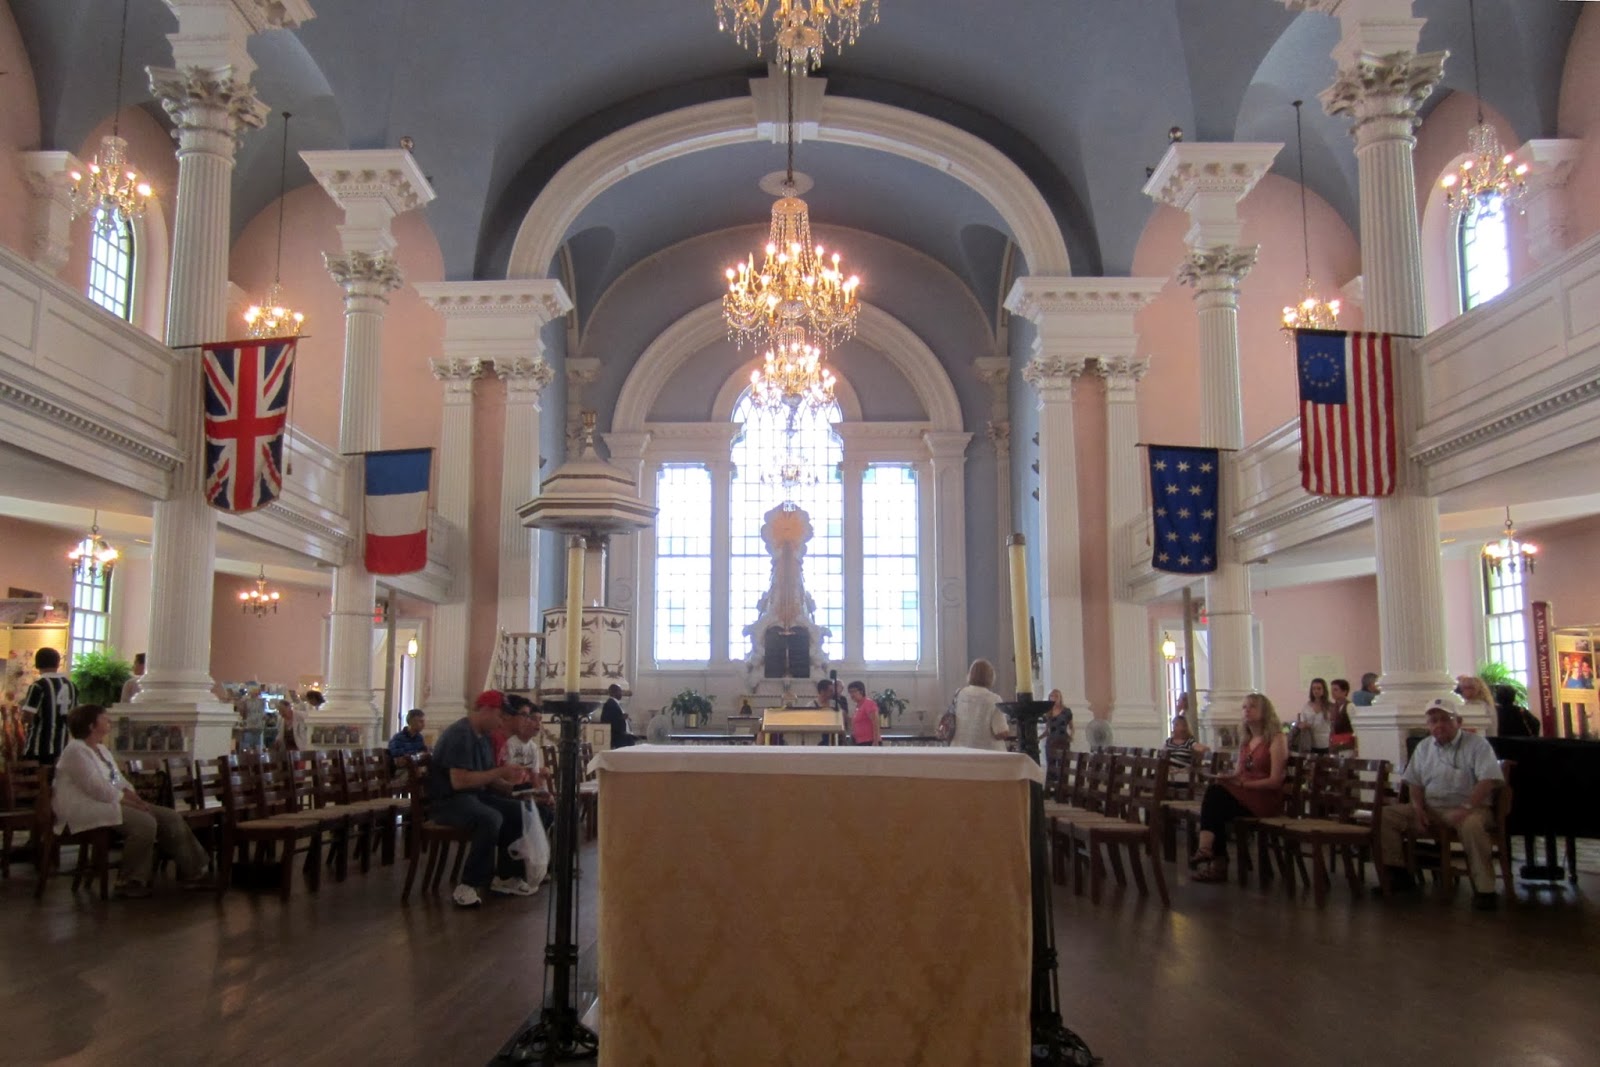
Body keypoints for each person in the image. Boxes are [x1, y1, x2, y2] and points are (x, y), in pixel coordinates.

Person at [54, 704, 211, 897]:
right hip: (88, 806)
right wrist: (133, 804)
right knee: (144, 823)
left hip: (112, 801)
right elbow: (97, 789)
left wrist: (135, 798)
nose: (109, 722)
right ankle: (130, 880)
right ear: (91, 725)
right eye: (104, 719)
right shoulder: (76, 751)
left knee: (169, 817)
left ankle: (195, 871)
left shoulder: (102, 749)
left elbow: (118, 780)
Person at [1378, 698, 1506, 910]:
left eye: (1445, 719)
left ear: (1458, 721)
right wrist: (1418, 808)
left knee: (1473, 826)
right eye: (1433, 721)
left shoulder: (1477, 745)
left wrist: (1465, 809)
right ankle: (1398, 875)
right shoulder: (1424, 747)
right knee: (1385, 816)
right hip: (1432, 807)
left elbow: (1487, 781)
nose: (1438, 725)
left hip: (1471, 809)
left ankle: (1485, 890)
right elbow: (1415, 783)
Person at [429, 690, 536, 908]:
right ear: (486, 710)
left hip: (475, 796)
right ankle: (468, 885)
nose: (501, 722)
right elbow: (460, 781)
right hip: (449, 802)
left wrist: (512, 786)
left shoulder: (484, 737)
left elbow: (487, 776)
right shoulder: (460, 734)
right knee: (490, 818)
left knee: (522, 810)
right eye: (499, 716)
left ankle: (505, 877)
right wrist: (500, 772)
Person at [1189, 693, 1288, 883]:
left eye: (1252, 707)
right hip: (1245, 794)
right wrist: (1228, 778)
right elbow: (1239, 772)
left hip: (1264, 797)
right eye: (1244, 707)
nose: (1247, 710)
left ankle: (1213, 857)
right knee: (1216, 797)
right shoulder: (1246, 741)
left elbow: (1275, 780)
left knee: (1215, 799)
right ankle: (1210, 854)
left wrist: (1243, 784)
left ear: (1265, 712)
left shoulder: (1276, 739)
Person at [502, 706, 555, 831]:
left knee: (549, 811)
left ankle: (536, 847)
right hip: (511, 791)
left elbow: (535, 779)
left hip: (525, 789)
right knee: (539, 812)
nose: (538, 723)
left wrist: (542, 795)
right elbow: (509, 778)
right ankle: (525, 847)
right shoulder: (510, 743)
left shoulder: (533, 747)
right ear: (524, 721)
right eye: (534, 719)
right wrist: (533, 796)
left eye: (540, 719)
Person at [21, 647, 76, 765]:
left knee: (36, 781)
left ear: (37, 664)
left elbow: (27, 716)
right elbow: (75, 714)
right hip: (63, 745)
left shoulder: (38, 686)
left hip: (39, 746)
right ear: (57, 663)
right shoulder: (71, 686)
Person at [949, 659, 1011, 752]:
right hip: (987, 754)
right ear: (991, 677)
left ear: (970, 675)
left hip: (960, 752)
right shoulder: (994, 699)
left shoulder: (959, 694)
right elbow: (1000, 733)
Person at [1295, 678, 1334, 754]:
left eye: (1319, 688)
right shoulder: (1307, 706)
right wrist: (1302, 725)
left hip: (1326, 742)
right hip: (1310, 743)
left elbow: (1332, 725)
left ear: (1324, 690)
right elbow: (1302, 721)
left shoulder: (1330, 706)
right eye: (1314, 689)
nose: (1316, 691)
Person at [1045, 689, 1073, 788]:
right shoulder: (1048, 712)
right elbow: (1047, 730)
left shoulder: (1066, 711)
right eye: (1052, 696)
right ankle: (1050, 788)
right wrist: (1039, 738)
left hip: (1063, 740)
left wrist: (1071, 736)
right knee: (1051, 765)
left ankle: (1063, 789)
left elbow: (1071, 727)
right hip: (1051, 741)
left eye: (1056, 696)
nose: (1054, 698)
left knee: (1063, 765)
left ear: (1060, 698)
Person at [598, 684, 635, 750]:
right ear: (614, 692)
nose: (621, 693)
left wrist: (624, 719)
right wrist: (622, 718)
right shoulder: (610, 704)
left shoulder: (614, 703)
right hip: (618, 737)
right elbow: (608, 721)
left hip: (622, 736)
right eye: (620, 691)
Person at [847, 681, 881, 746]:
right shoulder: (858, 706)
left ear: (861, 691)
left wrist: (875, 741)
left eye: (853, 691)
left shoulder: (868, 703)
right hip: (859, 742)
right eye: (850, 692)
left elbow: (875, 722)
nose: (851, 695)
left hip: (870, 741)